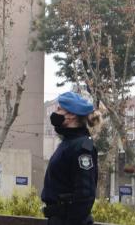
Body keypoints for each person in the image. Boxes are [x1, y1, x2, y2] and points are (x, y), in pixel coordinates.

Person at [41, 91, 102, 225]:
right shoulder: (68, 143)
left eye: (59, 109)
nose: (56, 113)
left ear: (71, 115)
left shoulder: (83, 145)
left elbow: (85, 194)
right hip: (59, 219)